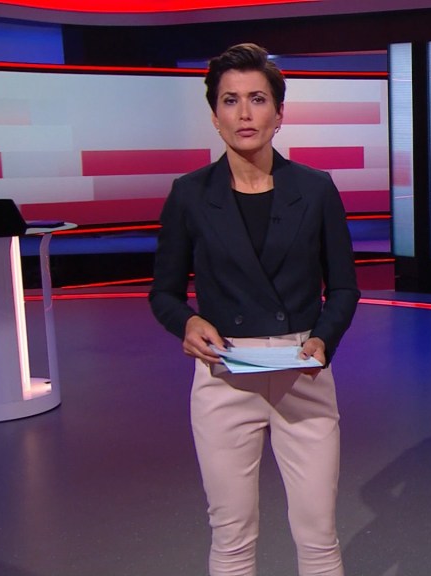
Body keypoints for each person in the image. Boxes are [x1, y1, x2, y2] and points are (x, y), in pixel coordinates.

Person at [149, 43, 359, 576]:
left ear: (279, 113)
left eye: (258, 99)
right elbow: (164, 293)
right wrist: (188, 322)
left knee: (318, 536)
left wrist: (323, 339)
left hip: (303, 370)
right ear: (214, 115)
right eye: (230, 100)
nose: (244, 114)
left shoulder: (316, 189)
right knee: (232, 535)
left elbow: (343, 288)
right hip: (224, 374)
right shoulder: (189, 194)